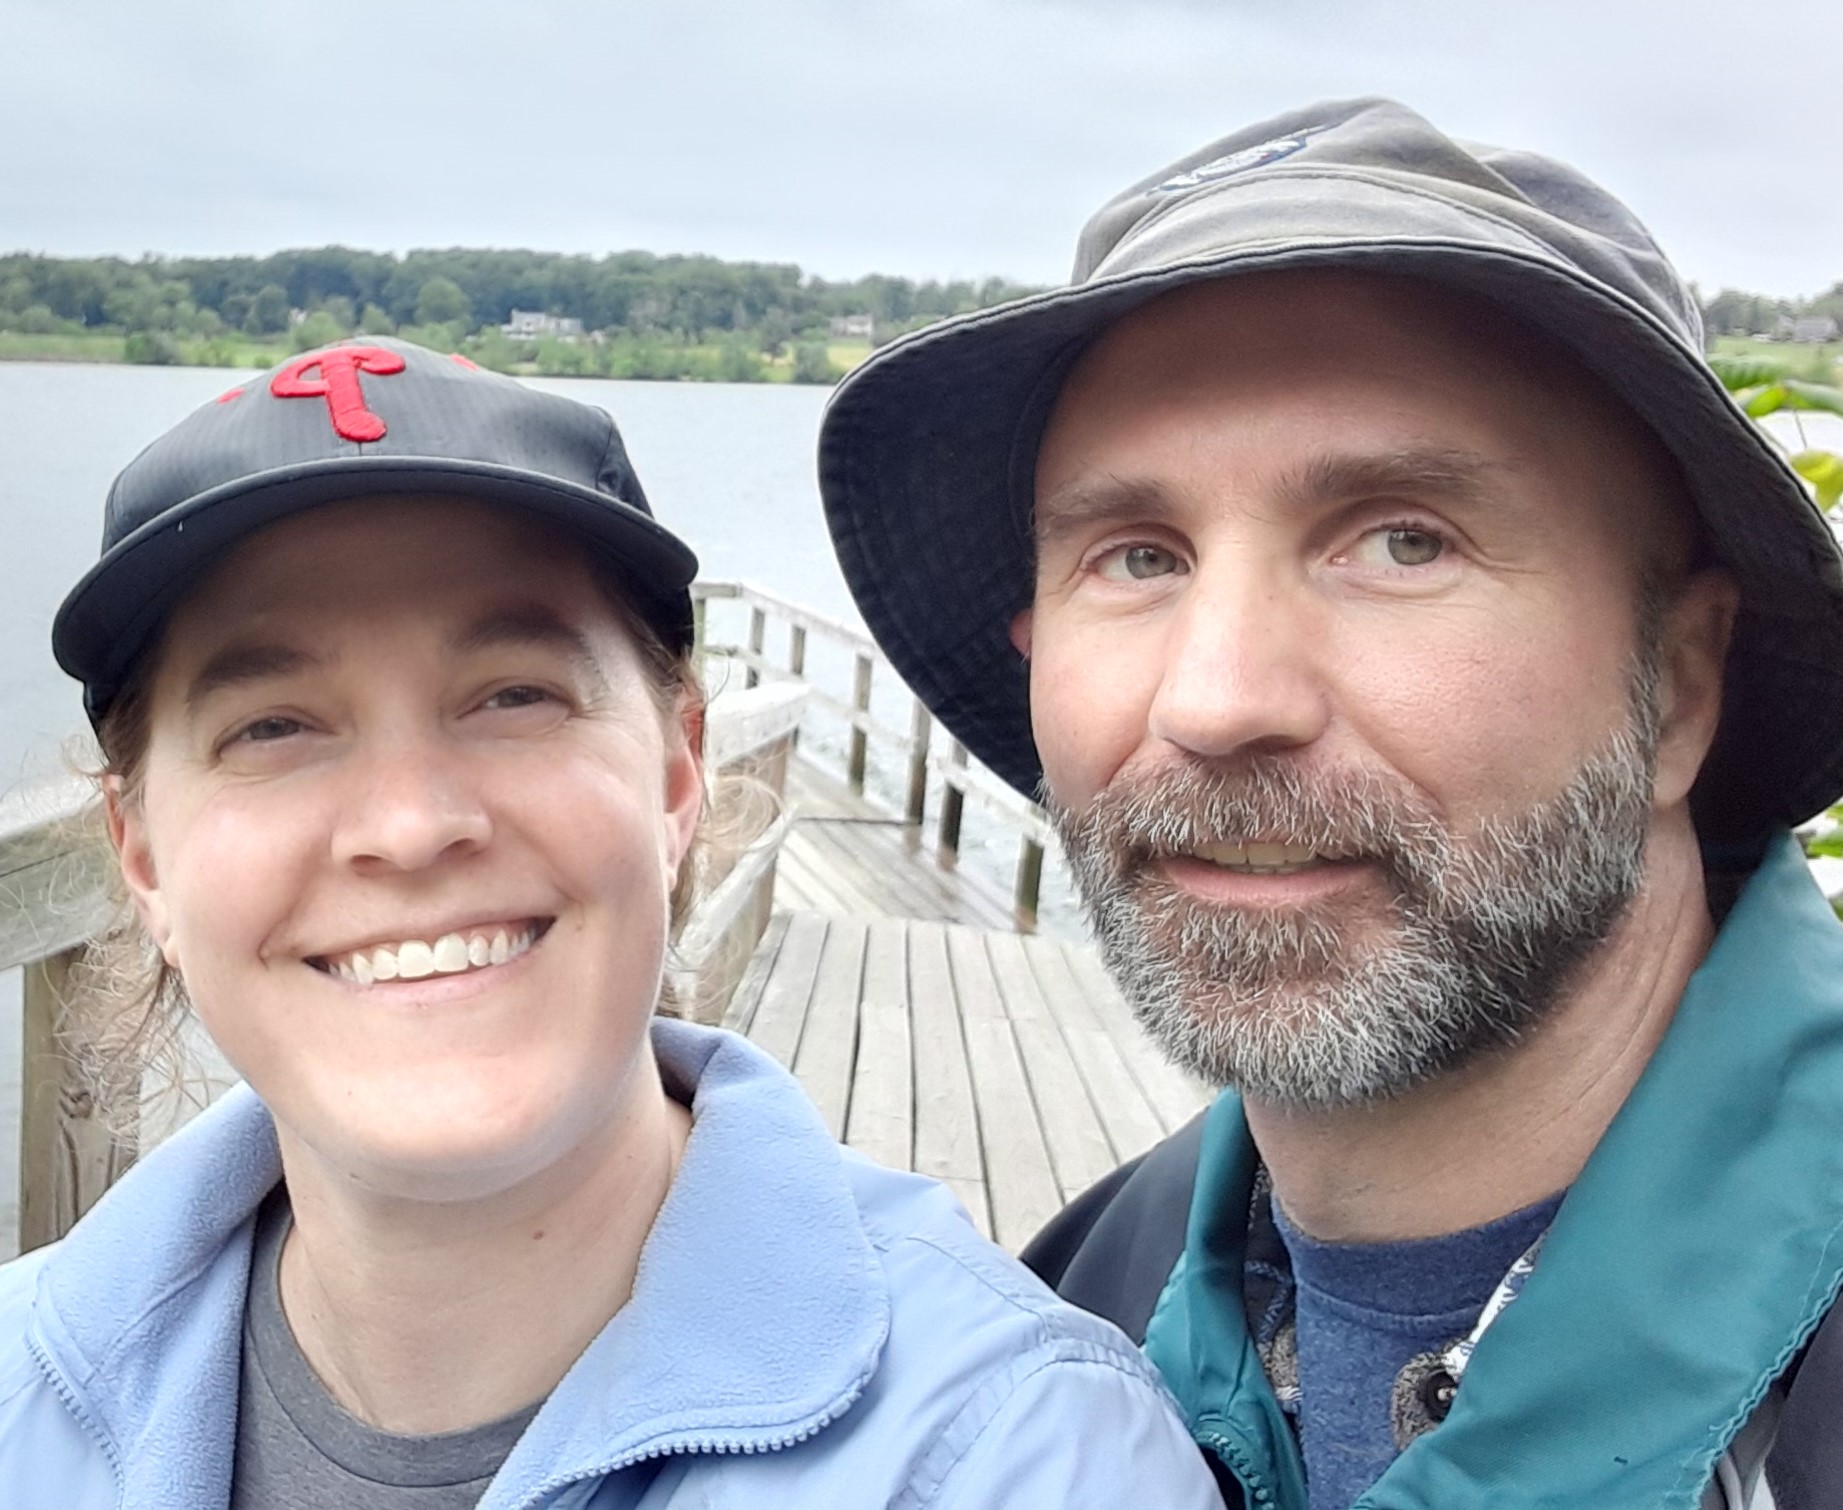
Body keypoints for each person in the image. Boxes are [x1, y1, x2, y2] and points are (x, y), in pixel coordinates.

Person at [818, 98, 1843, 1507]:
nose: (1216, 698)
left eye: (1399, 539)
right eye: (1134, 555)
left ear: (1671, 683)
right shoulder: (1066, 1308)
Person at [0, 339, 1223, 1508]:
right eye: (272, 726)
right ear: (143, 855)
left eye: (515, 695)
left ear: (677, 777)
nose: (412, 823)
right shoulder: (24, 1390)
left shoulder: (1020, 1459)